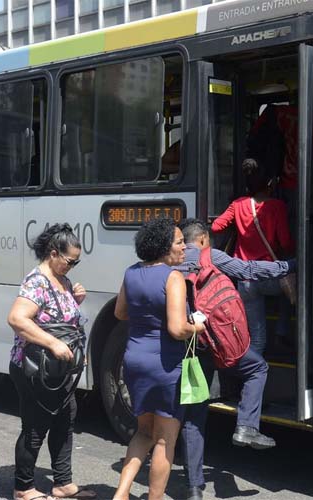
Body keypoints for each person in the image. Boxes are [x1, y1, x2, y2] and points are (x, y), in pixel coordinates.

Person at [176, 218, 294, 499]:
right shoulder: (210, 256)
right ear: (203, 239)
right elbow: (249, 270)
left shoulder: (172, 263)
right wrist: (289, 266)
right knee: (257, 368)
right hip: (223, 343)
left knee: (194, 417)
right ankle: (246, 426)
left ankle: (194, 488)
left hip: (192, 347)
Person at [113, 217, 206, 500]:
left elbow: (120, 313)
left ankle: (121, 494)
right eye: (179, 242)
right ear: (164, 247)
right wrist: (196, 327)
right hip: (165, 366)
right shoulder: (172, 277)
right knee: (165, 440)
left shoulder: (131, 273)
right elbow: (177, 329)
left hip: (134, 360)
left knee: (143, 432)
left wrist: (147, 320)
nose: (184, 248)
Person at [6, 223, 95, 500]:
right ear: (53, 253)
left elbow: (59, 319)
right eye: (71, 261)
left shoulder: (63, 280)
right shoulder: (37, 281)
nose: (73, 266)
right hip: (35, 368)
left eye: (77, 262)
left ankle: (62, 483)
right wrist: (53, 343)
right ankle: (23, 488)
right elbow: (17, 319)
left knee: (65, 420)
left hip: (60, 370)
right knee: (35, 427)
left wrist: (74, 300)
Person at [212, 158, 295, 354]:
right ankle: (282, 331)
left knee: (257, 339)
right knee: (290, 290)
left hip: (245, 279)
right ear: (269, 184)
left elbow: (216, 227)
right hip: (268, 276)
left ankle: (253, 372)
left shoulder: (238, 204)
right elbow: (285, 243)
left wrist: (238, 226)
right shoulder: (276, 206)